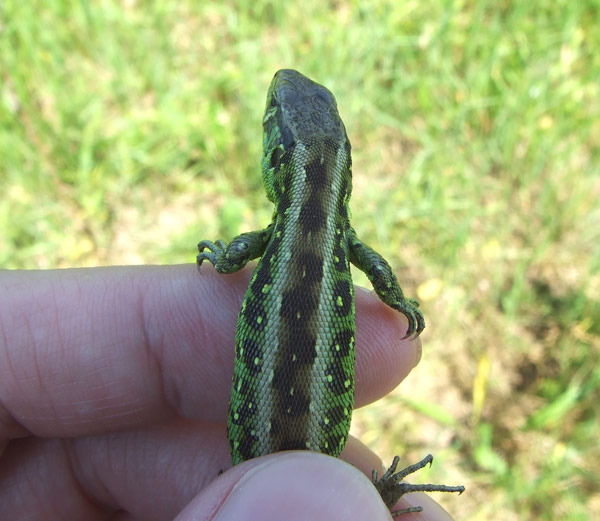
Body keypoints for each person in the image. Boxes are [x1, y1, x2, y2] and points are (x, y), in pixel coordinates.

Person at [0, 265, 458, 520]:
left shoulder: (272, 238)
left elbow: (230, 258)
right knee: (338, 481)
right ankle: (385, 495)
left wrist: (223, 255)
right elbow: (378, 269)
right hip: (298, 450)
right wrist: (396, 300)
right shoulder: (345, 242)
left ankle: (383, 495)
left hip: (255, 452)